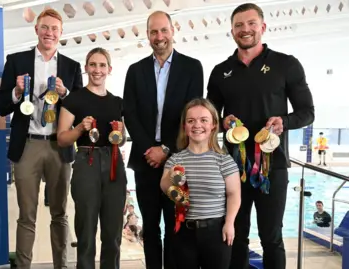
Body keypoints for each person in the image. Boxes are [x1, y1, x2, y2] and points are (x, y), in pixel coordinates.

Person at [206, 3, 314, 269]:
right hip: (233, 169)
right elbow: (208, 118)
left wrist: (284, 122)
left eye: (251, 24)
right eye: (239, 25)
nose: (246, 30)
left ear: (262, 27)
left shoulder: (286, 64)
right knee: (235, 236)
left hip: (273, 166)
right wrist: (222, 123)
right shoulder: (221, 71)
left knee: (271, 238)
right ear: (232, 31)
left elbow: (307, 112)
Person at [0, 8, 83, 269]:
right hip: (28, 145)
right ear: (36, 30)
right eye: (45, 27)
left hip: (59, 145)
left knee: (59, 214)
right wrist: (16, 91)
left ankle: (62, 266)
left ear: (61, 33)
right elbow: (1, 106)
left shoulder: (71, 67)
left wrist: (65, 92)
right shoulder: (16, 61)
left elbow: (80, 108)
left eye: (55, 29)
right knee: (27, 216)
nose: (49, 33)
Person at [123, 10, 204, 269]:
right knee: (151, 227)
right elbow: (130, 113)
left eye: (164, 30)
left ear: (173, 31)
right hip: (145, 161)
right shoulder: (135, 71)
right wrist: (151, 149)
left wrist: (166, 150)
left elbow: (191, 115)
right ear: (148, 35)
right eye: (154, 32)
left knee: (174, 226)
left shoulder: (192, 67)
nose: (160, 37)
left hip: (178, 160)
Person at [57, 47, 127, 269]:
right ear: (86, 68)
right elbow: (62, 138)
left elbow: (122, 140)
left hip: (114, 162)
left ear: (109, 69)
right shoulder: (74, 100)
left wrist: (120, 133)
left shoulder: (118, 102)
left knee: (113, 232)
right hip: (86, 159)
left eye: (102, 65)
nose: (97, 70)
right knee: (86, 230)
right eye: (93, 65)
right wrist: (79, 128)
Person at [159, 98, 241, 269]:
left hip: (217, 233)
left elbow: (234, 194)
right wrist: (172, 177)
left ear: (213, 125)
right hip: (184, 233)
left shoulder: (224, 160)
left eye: (204, 120)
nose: (197, 125)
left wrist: (229, 222)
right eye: (191, 121)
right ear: (185, 127)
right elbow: (165, 187)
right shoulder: (175, 159)